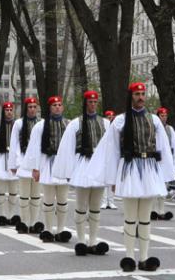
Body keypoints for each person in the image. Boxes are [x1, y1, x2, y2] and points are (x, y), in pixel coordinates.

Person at [87, 82, 175, 272]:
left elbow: (163, 148)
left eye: (143, 93)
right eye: (137, 94)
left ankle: (144, 257)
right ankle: (129, 257)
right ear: (131, 96)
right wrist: (111, 178)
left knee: (145, 218)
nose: (141, 97)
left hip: (150, 168)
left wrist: (166, 174)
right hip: (129, 168)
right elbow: (111, 151)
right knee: (130, 217)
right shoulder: (120, 121)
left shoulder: (154, 120)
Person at [53, 90, 111, 255]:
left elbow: (110, 148)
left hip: (98, 166)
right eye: (90, 102)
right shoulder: (75, 123)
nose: (93, 105)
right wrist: (69, 171)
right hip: (83, 165)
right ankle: (81, 240)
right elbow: (67, 148)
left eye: (95, 102)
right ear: (85, 103)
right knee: (81, 206)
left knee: (95, 207)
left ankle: (93, 240)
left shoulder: (105, 123)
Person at [21, 96, 71, 243]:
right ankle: (49, 230)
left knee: (62, 200)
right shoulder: (41, 126)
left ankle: (61, 230)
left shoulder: (68, 124)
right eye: (54, 105)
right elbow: (34, 148)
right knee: (48, 199)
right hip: (47, 163)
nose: (57, 107)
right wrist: (35, 169)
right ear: (49, 108)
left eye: (59, 105)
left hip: (63, 164)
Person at [9, 97, 44, 234]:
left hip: (37, 163)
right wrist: (15, 163)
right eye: (30, 107)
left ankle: (34, 223)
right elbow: (14, 145)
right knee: (24, 196)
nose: (32, 109)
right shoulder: (18, 123)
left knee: (35, 196)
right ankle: (24, 222)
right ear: (26, 108)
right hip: (23, 162)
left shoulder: (41, 123)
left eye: (35, 107)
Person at [151, 107, 175, 221]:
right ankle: (152, 210)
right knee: (153, 185)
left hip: (165, 160)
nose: (164, 118)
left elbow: (174, 144)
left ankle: (161, 210)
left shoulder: (169, 129)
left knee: (163, 186)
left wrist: (173, 160)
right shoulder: (152, 127)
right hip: (153, 159)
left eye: (165, 116)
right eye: (162, 115)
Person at [101, 110, 119, 210]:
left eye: (112, 116)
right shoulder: (104, 128)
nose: (110, 118)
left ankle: (111, 201)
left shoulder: (116, 129)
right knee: (104, 181)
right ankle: (104, 201)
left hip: (112, 156)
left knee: (112, 180)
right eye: (109, 117)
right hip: (104, 156)